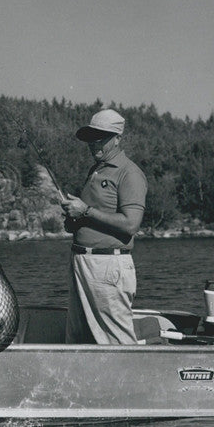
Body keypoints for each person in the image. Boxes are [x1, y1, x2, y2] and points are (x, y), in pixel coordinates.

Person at [60, 109, 147, 345]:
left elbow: (131, 224)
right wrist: (74, 218)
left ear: (118, 137)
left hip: (107, 267)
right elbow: (93, 216)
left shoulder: (130, 173)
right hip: (82, 263)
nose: (93, 143)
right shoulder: (96, 170)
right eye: (91, 137)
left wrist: (85, 211)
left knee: (117, 341)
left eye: (101, 137)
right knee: (79, 340)